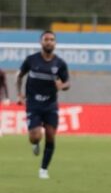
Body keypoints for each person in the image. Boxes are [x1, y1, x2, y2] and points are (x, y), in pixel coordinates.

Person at [16, 30, 71, 179]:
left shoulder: (60, 64)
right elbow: (19, 76)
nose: (49, 42)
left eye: (52, 39)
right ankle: (35, 143)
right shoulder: (31, 60)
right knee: (35, 136)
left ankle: (43, 169)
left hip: (50, 105)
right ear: (41, 42)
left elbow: (67, 83)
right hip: (33, 103)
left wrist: (62, 86)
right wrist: (19, 94)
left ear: (55, 43)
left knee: (51, 135)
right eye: (46, 39)